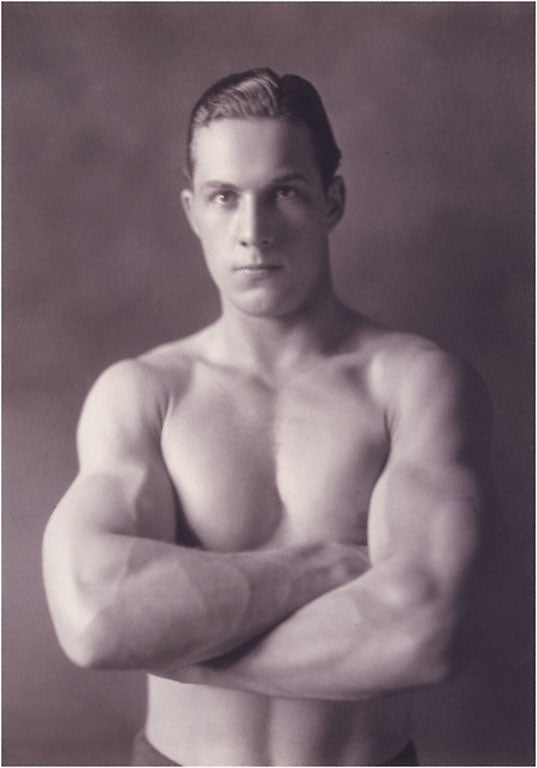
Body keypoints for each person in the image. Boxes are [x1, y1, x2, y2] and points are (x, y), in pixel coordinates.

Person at [42, 68, 494, 767]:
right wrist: (321, 567)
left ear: (331, 201)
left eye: (283, 192)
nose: (252, 232)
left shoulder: (415, 384)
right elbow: (96, 616)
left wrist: (177, 649)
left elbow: (426, 630)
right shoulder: (145, 394)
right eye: (224, 197)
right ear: (192, 210)